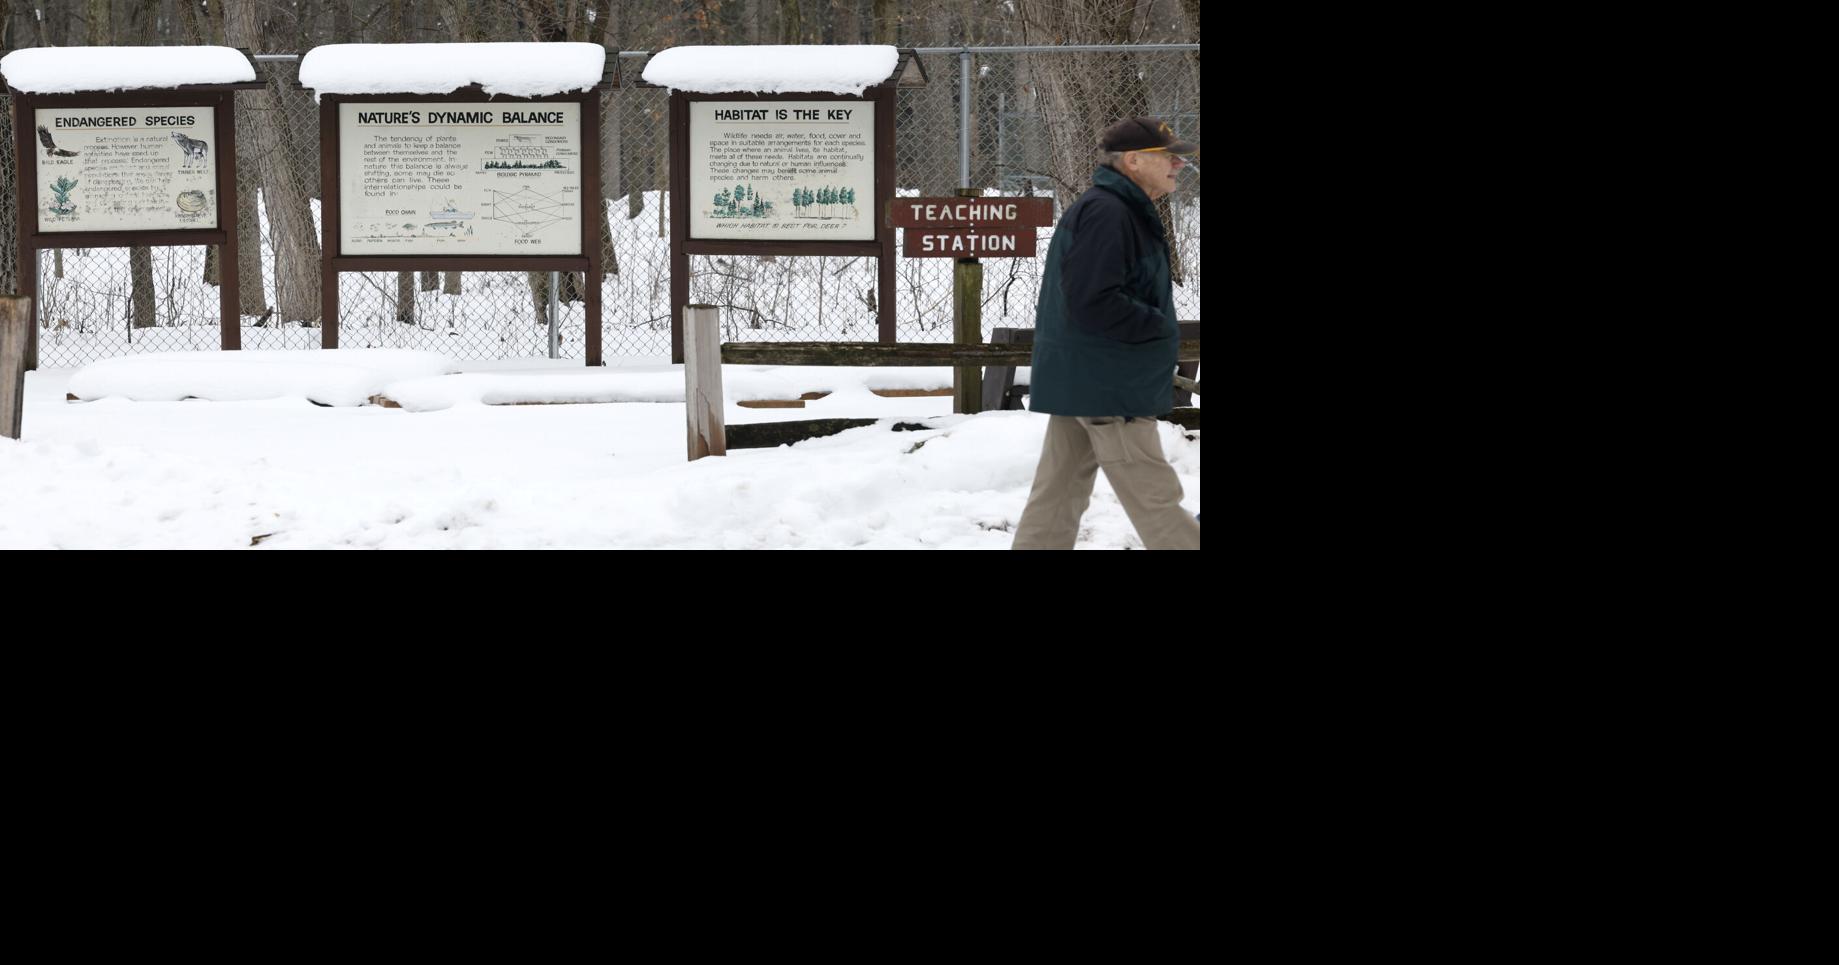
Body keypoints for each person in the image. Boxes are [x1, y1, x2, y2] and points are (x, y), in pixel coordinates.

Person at [1012, 117, 1200, 550]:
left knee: (1057, 498)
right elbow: (1092, 299)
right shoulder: (1109, 212)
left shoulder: (1119, 208)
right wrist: (1157, 328)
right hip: (1110, 384)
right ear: (1133, 161)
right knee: (1156, 500)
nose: (1178, 164)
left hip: (1089, 379)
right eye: (1168, 156)